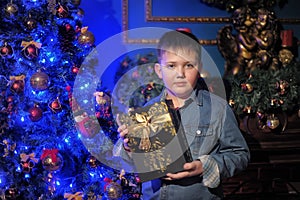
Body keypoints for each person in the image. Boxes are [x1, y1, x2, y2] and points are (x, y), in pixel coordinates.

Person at [114, 29, 250, 199]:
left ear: (199, 68)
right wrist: (129, 148)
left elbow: (240, 155)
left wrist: (204, 167)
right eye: (171, 66)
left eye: (188, 65)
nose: (180, 74)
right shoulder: (146, 111)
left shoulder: (218, 109)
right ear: (159, 70)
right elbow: (132, 165)